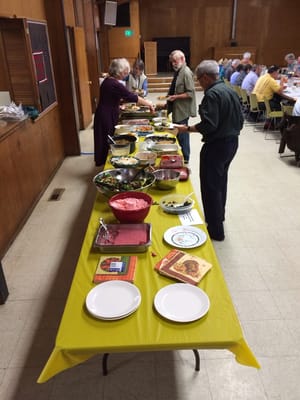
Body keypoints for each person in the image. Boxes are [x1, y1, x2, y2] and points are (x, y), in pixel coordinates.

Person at [176, 60, 244, 241]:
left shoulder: (212, 95)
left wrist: (186, 129)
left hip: (216, 146)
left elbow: (209, 125)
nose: (199, 83)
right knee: (221, 180)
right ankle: (218, 216)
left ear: (206, 77)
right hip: (232, 142)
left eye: (199, 80)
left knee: (211, 186)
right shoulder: (230, 90)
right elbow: (241, 120)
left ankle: (215, 230)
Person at [93, 58, 154, 167]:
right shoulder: (113, 83)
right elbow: (130, 96)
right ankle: (109, 165)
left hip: (106, 112)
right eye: (125, 72)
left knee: (107, 138)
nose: (126, 74)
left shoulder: (109, 80)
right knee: (107, 139)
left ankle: (108, 162)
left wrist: (120, 103)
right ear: (119, 71)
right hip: (106, 115)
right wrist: (148, 104)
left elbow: (118, 97)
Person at [166, 50, 197, 164]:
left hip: (182, 110)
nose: (173, 63)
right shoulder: (179, 71)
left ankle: (185, 158)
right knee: (178, 133)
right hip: (177, 108)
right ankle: (181, 156)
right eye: (172, 62)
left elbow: (190, 93)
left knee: (183, 134)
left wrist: (176, 97)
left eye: (175, 61)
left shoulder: (186, 72)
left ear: (183, 59)